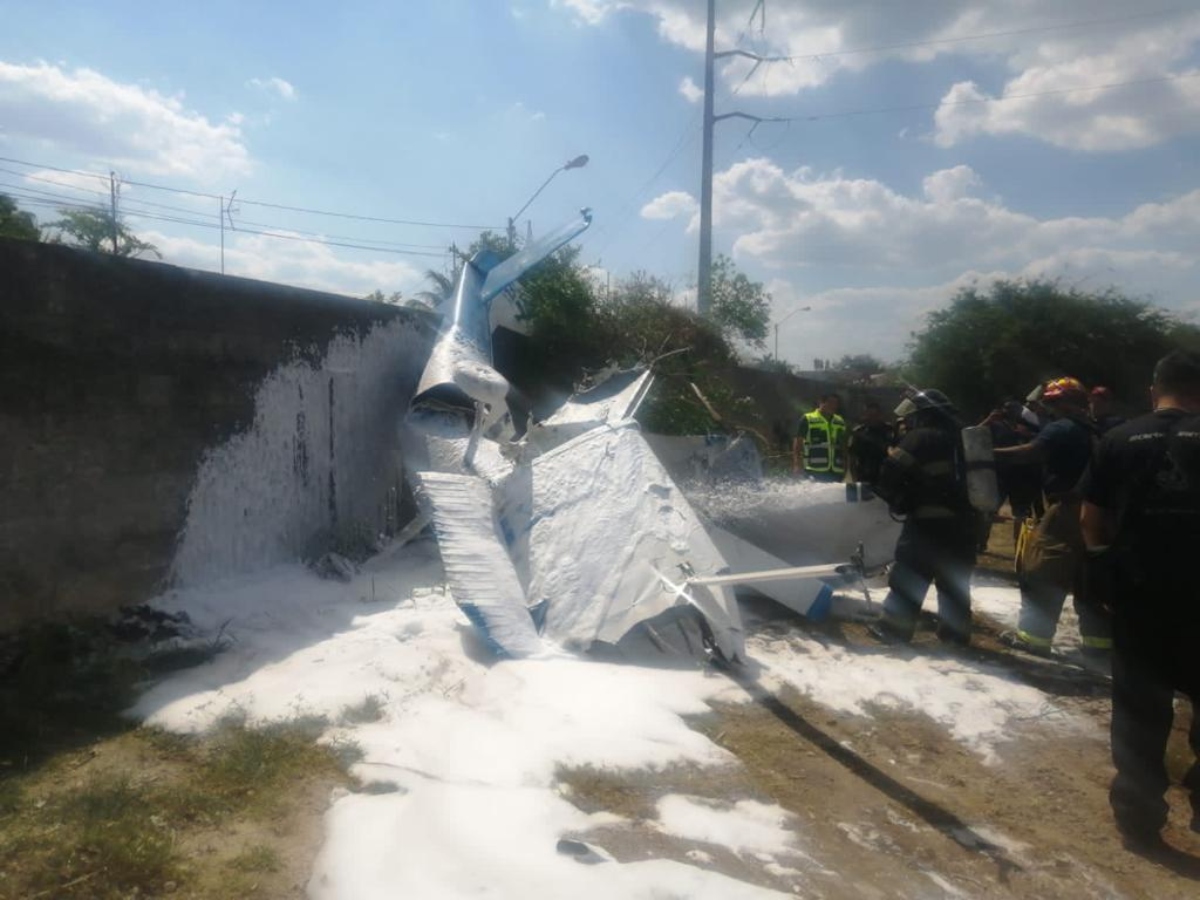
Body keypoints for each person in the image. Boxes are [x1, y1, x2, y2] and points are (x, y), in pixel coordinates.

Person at [1080, 350, 1200, 849]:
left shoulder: (1119, 438)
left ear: (1155, 389)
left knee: (1139, 715)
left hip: (1140, 600)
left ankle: (1139, 818)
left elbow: (1091, 521)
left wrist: (1107, 572)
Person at [994, 377, 1111, 657]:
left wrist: (987, 454)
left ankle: (1034, 638)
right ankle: (1099, 645)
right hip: (1096, 512)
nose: (1050, 407)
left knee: (1042, 570)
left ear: (1063, 402)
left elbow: (1031, 453)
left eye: (1053, 402)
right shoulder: (1093, 429)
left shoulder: (1063, 427)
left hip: (1068, 511)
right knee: (1088, 577)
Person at [868, 389, 977, 646]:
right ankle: (955, 634)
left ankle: (893, 630)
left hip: (927, 525)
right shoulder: (966, 437)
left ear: (923, 416)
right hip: (966, 526)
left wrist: (896, 496)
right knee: (954, 582)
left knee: (909, 575)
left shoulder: (920, 438)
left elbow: (889, 474)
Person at [793, 393, 847, 483]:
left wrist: (845, 467)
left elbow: (843, 446)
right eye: (830, 403)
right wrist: (797, 464)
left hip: (836, 471)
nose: (833, 406)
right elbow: (798, 444)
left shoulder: (840, 421)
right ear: (821, 402)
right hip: (814, 470)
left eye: (836, 403)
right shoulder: (808, 418)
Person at [848, 400, 893, 485]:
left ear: (880, 415)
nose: (872, 418)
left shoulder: (889, 430)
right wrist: (854, 479)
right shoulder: (859, 432)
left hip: (884, 476)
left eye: (875, 415)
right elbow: (852, 458)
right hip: (864, 475)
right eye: (869, 415)